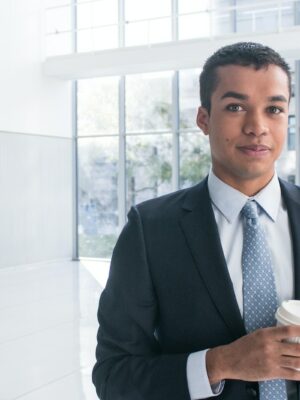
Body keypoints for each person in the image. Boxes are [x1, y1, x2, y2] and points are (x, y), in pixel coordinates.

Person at [92, 42, 300, 400]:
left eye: (274, 109)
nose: (257, 127)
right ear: (204, 118)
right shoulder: (150, 230)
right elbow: (114, 376)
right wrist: (218, 363)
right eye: (236, 107)